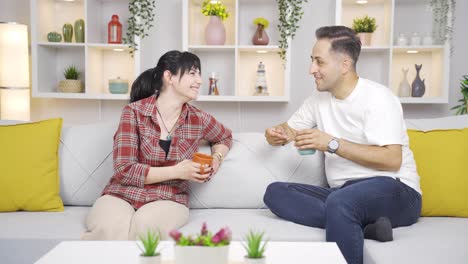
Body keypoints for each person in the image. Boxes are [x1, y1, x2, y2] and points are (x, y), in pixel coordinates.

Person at [263, 26, 422, 264]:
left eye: (319, 62)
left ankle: (349, 217)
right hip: (344, 193)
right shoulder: (317, 100)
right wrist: (275, 133)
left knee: (341, 203)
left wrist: (332, 144)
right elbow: (289, 129)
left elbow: (392, 159)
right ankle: (365, 226)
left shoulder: (379, 98)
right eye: (312, 61)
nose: (311, 70)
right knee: (275, 193)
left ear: (344, 65)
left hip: (397, 190)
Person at [82, 50, 232, 240]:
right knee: (108, 227)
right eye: (192, 73)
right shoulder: (133, 112)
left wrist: (217, 157)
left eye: (199, 74)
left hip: (169, 197)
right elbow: (124, 169)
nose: (200, 81)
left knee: (147, 226)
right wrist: (178, 171)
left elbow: (224, 137)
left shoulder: (198, 118)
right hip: (121, 194)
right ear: (169, 76)